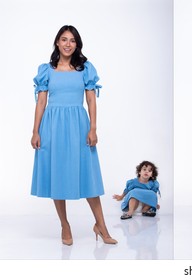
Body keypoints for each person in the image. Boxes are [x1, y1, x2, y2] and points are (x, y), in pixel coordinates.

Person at [31, 25, 117, 245]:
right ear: (57, 43)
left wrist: (93, 128)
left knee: (88, 176)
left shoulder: (85, 69)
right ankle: (65, 225)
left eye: (72, 40)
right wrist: (35, 131)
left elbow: (91, 100)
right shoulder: (46, 70)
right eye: (64, 39)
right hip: (52, 126)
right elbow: (41, 102)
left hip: (78, 125)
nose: (68, 44)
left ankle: (102, 226)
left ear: (77, 44)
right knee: (57, 174)